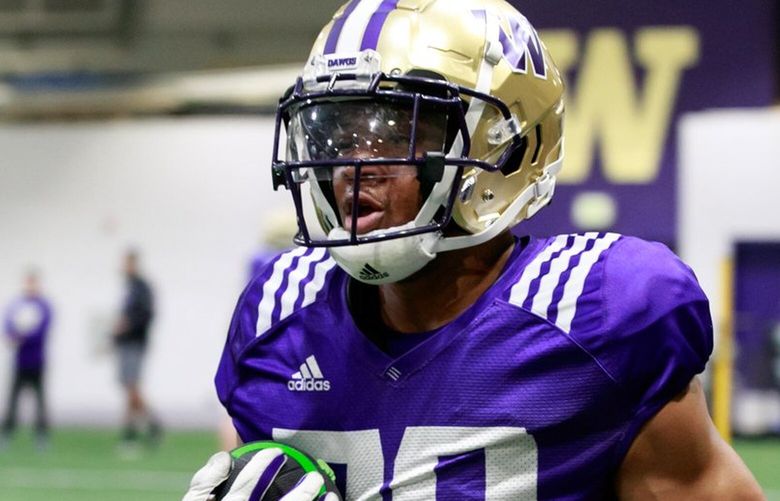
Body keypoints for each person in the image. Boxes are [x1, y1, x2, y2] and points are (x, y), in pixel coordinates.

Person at [184, 0, 764, 499]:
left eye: (396, 132)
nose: (353, 167)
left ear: (508, 149)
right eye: (337, 133)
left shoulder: (595, 315)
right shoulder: (278, 315)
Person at [113, 249, 161, 450]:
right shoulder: (129, 287)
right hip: (126, 343)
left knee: (132, 387)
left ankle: (151, 425)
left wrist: (128, 326)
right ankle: (133, 431)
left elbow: (146, 314)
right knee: (130, 388)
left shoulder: (141, 287)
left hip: (135, 343)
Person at [1, 270, 52, 450]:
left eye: (33, 283)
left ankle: (41, 435)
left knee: (40, 400)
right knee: (13, 399)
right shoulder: (17, 305)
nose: (30, 286)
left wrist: (22, 336)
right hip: (19, 361)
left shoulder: (43, 306)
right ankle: (7, 433)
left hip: (37, 360)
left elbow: (41, 331)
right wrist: (11, 335)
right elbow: (7, 326)